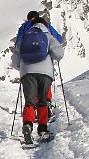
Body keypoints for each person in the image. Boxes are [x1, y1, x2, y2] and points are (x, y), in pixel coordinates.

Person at [12, 13, 65, 144]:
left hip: (27, 72)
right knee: (42, 101)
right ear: (45, 25)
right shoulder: (48, 35)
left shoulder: (25, 36)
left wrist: (21, 67)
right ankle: (42, 130)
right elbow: (59, 53)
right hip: (45, 72)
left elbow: (14, 60)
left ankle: (28, 125)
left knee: (29, 102)